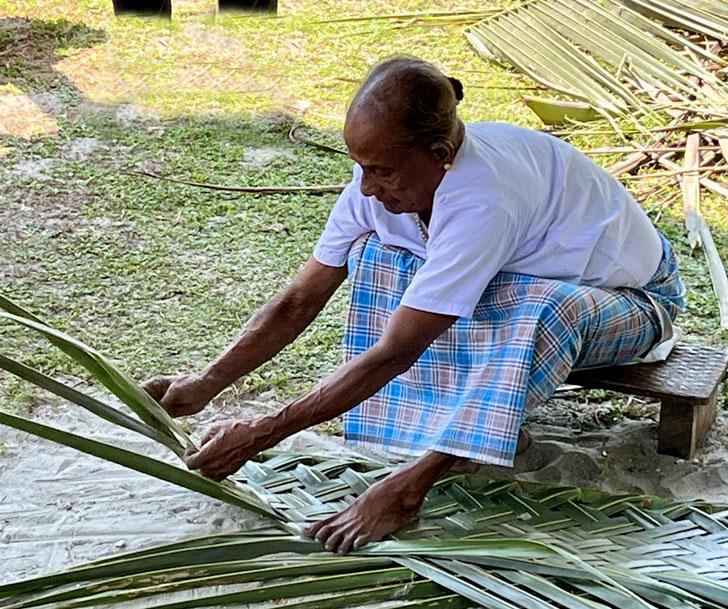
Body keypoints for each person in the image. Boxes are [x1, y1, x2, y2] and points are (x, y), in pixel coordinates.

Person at [144, 56, 685, 554]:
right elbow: (299, 300)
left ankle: (415, 481)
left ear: (440, 155)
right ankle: (449, 421)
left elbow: (397, 350)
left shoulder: (483, 198)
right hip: (522, 285)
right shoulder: (382, 181)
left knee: (544, 307)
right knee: (375, 255)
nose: (366, 187)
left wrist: (263, 432)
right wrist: (206, 383)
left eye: (381, 170)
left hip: (634, 302)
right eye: (359, 165)